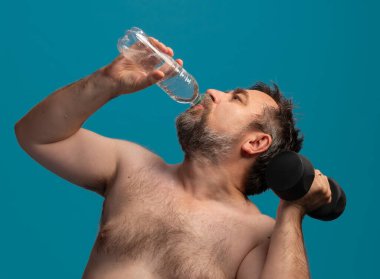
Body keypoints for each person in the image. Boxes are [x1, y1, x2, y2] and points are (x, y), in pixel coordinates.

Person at [15, 37, 332, 279]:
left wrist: (292, 212)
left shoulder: (256, 234)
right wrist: (107, 82)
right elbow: (36, 134)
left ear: (256, 141)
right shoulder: (131, 167)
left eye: (235, 99)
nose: (212, 92)